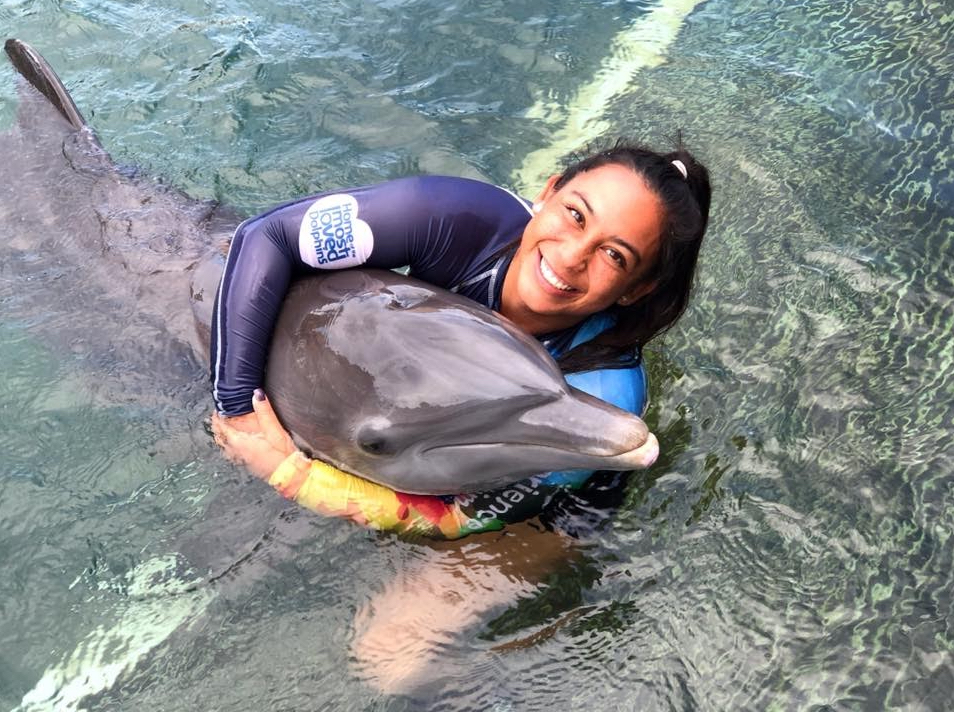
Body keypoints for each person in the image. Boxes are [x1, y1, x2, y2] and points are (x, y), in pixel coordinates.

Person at [211, 139, 711, 539]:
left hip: (559, 509)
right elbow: (268, 237)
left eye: (615, 256)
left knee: (395, 645)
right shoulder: (454, 217)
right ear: (549, 191)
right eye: (575, 215)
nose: (570, 256)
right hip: (413, 414)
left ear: (637, 290)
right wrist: (238, 410)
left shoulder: (604, 389)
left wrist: (296, 477)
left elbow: (465, 521)